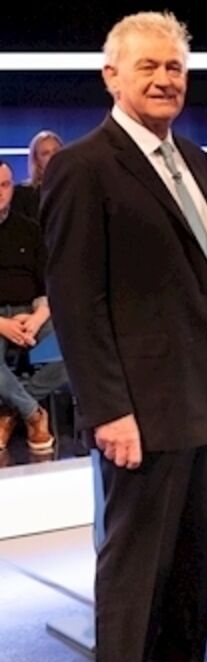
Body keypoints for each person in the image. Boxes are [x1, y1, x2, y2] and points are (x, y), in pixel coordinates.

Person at [40, 11, 207, 662]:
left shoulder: (192, 159)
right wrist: (108, 410)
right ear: (112, 76)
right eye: (149, 66)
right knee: (136, 571)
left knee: (193, 561)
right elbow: (77, 301)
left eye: (175, 67)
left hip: (204, 396)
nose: (165, 79)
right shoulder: (82, 167)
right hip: (140, 409)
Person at [0, 160, 67, 461]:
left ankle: (9, 411)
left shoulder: (30, 230)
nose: (0, 193)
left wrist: (37, 318)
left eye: (5, 185)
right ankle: (33, 414)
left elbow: (48, 286)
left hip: (31, 314)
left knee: (73, 350)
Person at [11, 130, 63, 221]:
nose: (53, 156)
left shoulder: (75, 188)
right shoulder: (22, 195)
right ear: (36, 160)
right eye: (45, 153)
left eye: (56, 151)